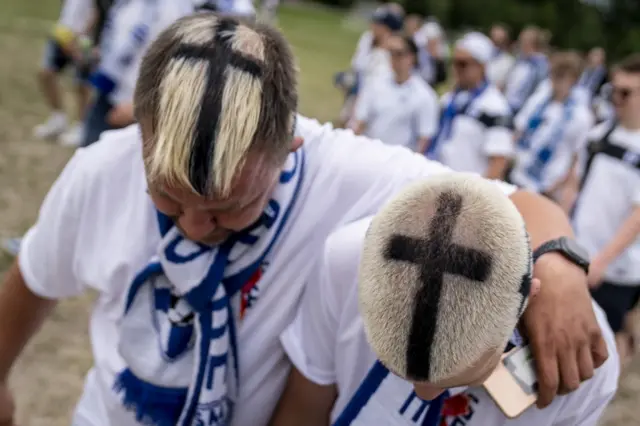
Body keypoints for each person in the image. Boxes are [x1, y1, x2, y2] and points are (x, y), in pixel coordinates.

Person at [0, 14, 608, 426]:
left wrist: (557, 265)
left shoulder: (351, 172)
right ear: (141, 132)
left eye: (226, 208)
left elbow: (503, 204)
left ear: (289, 145)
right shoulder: (100, 169)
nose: (191, 225)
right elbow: (32, 279)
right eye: (166, 197)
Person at [271, 175, 618, 426]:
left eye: (456, 373)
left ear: (524, 301)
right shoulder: (348, 258)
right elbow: (303, 409)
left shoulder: (588, 367)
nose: (424, 392)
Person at [569, 54, 640, 369]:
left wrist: (602, 261)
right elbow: (576, 185)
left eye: (626, 92)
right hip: (580, 251)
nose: (617, 99)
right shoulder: (599, 134)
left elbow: (637, 217)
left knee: (601, 349)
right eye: (614, 90)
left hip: (616, 268)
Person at [508, 51, 593, 211]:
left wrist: (557, 189)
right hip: (518, 176)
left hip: (546, 187)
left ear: (573, 80)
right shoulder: (539, 100)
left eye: (562, 76)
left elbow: (576, 159)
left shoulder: (581, 116)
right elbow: (519, 130)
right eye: (554, 74)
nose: (556, 81)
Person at [427, 32, 513, 181]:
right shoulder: (450, 99)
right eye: (454, 62)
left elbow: (498, 162)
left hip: (464, 193)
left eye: (463, 64)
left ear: (482, 66)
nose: (456, 69)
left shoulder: (495, 107)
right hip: (436, 181)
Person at [352, 34, 439, 152]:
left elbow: (424, 138)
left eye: (399, 53)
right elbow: (360, 121)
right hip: (370, 154)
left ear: (411, 57)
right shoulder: (375, 83)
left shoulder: (424, 95)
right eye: (391, 53)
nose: (394, 58)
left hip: (399, 162)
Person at [33, 0, 93, 143]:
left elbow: (97, 11)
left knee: (81, 84)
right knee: (45, 73)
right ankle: (58, 119)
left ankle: (82, 126)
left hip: (82, 39)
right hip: (61, 33)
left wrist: (81, 35)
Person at [335, 5, 403, 127]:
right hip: (357, 96)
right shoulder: (368, 41)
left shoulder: (392, 57)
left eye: (378, 25)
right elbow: (357, 67)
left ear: (388, 30)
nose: (373, 27)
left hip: (372, 106)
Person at [503, 26, 549, 114]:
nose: (520, 43)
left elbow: (537, 92)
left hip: (522, 110)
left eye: (523, 41)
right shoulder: (519, 61)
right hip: (508, 106)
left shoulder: (541, 65)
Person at [487, 23, 515, 91]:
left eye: (500, 40)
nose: (495, 43)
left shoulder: (509, 62)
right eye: (493, 38)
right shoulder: (481, 55)